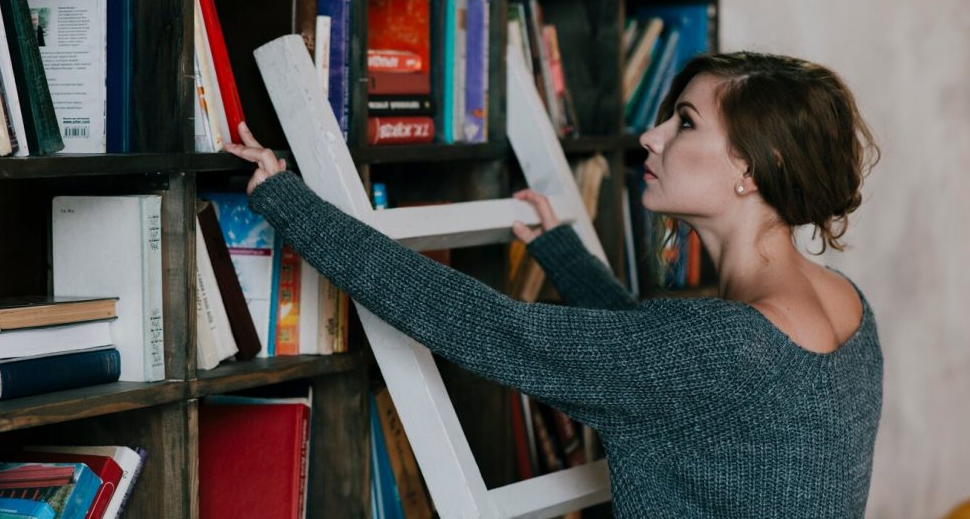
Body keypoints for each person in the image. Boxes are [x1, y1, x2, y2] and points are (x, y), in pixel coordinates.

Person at [224, 51, 882, 518]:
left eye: (684, 121)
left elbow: (491, 329)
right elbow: (666, 377)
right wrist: (562, 252)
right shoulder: (847, 307)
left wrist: (293, 204)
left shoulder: (726, 346)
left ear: (752, 169)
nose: (650, 137)